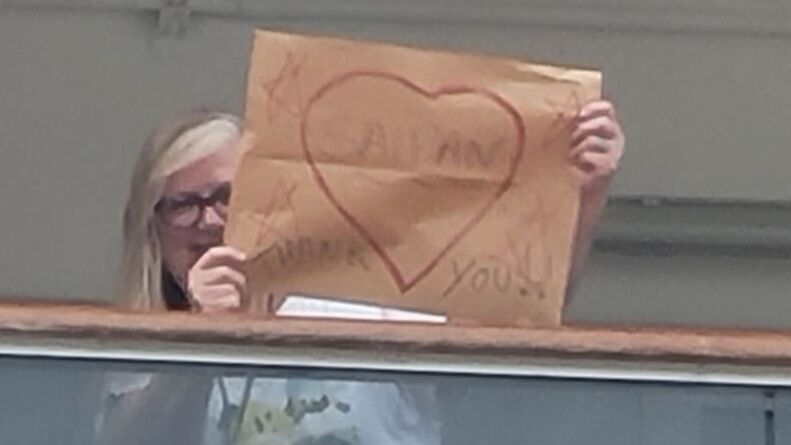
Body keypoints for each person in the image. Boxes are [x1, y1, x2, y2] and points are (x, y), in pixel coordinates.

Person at [97, 97, 624, 443]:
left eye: (226, 197)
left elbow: (514, 323)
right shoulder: (141, 347)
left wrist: (580, 200)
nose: (208, 220)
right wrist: (201, 342)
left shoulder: (358, 295)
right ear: (152, 227)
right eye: (182, 203)